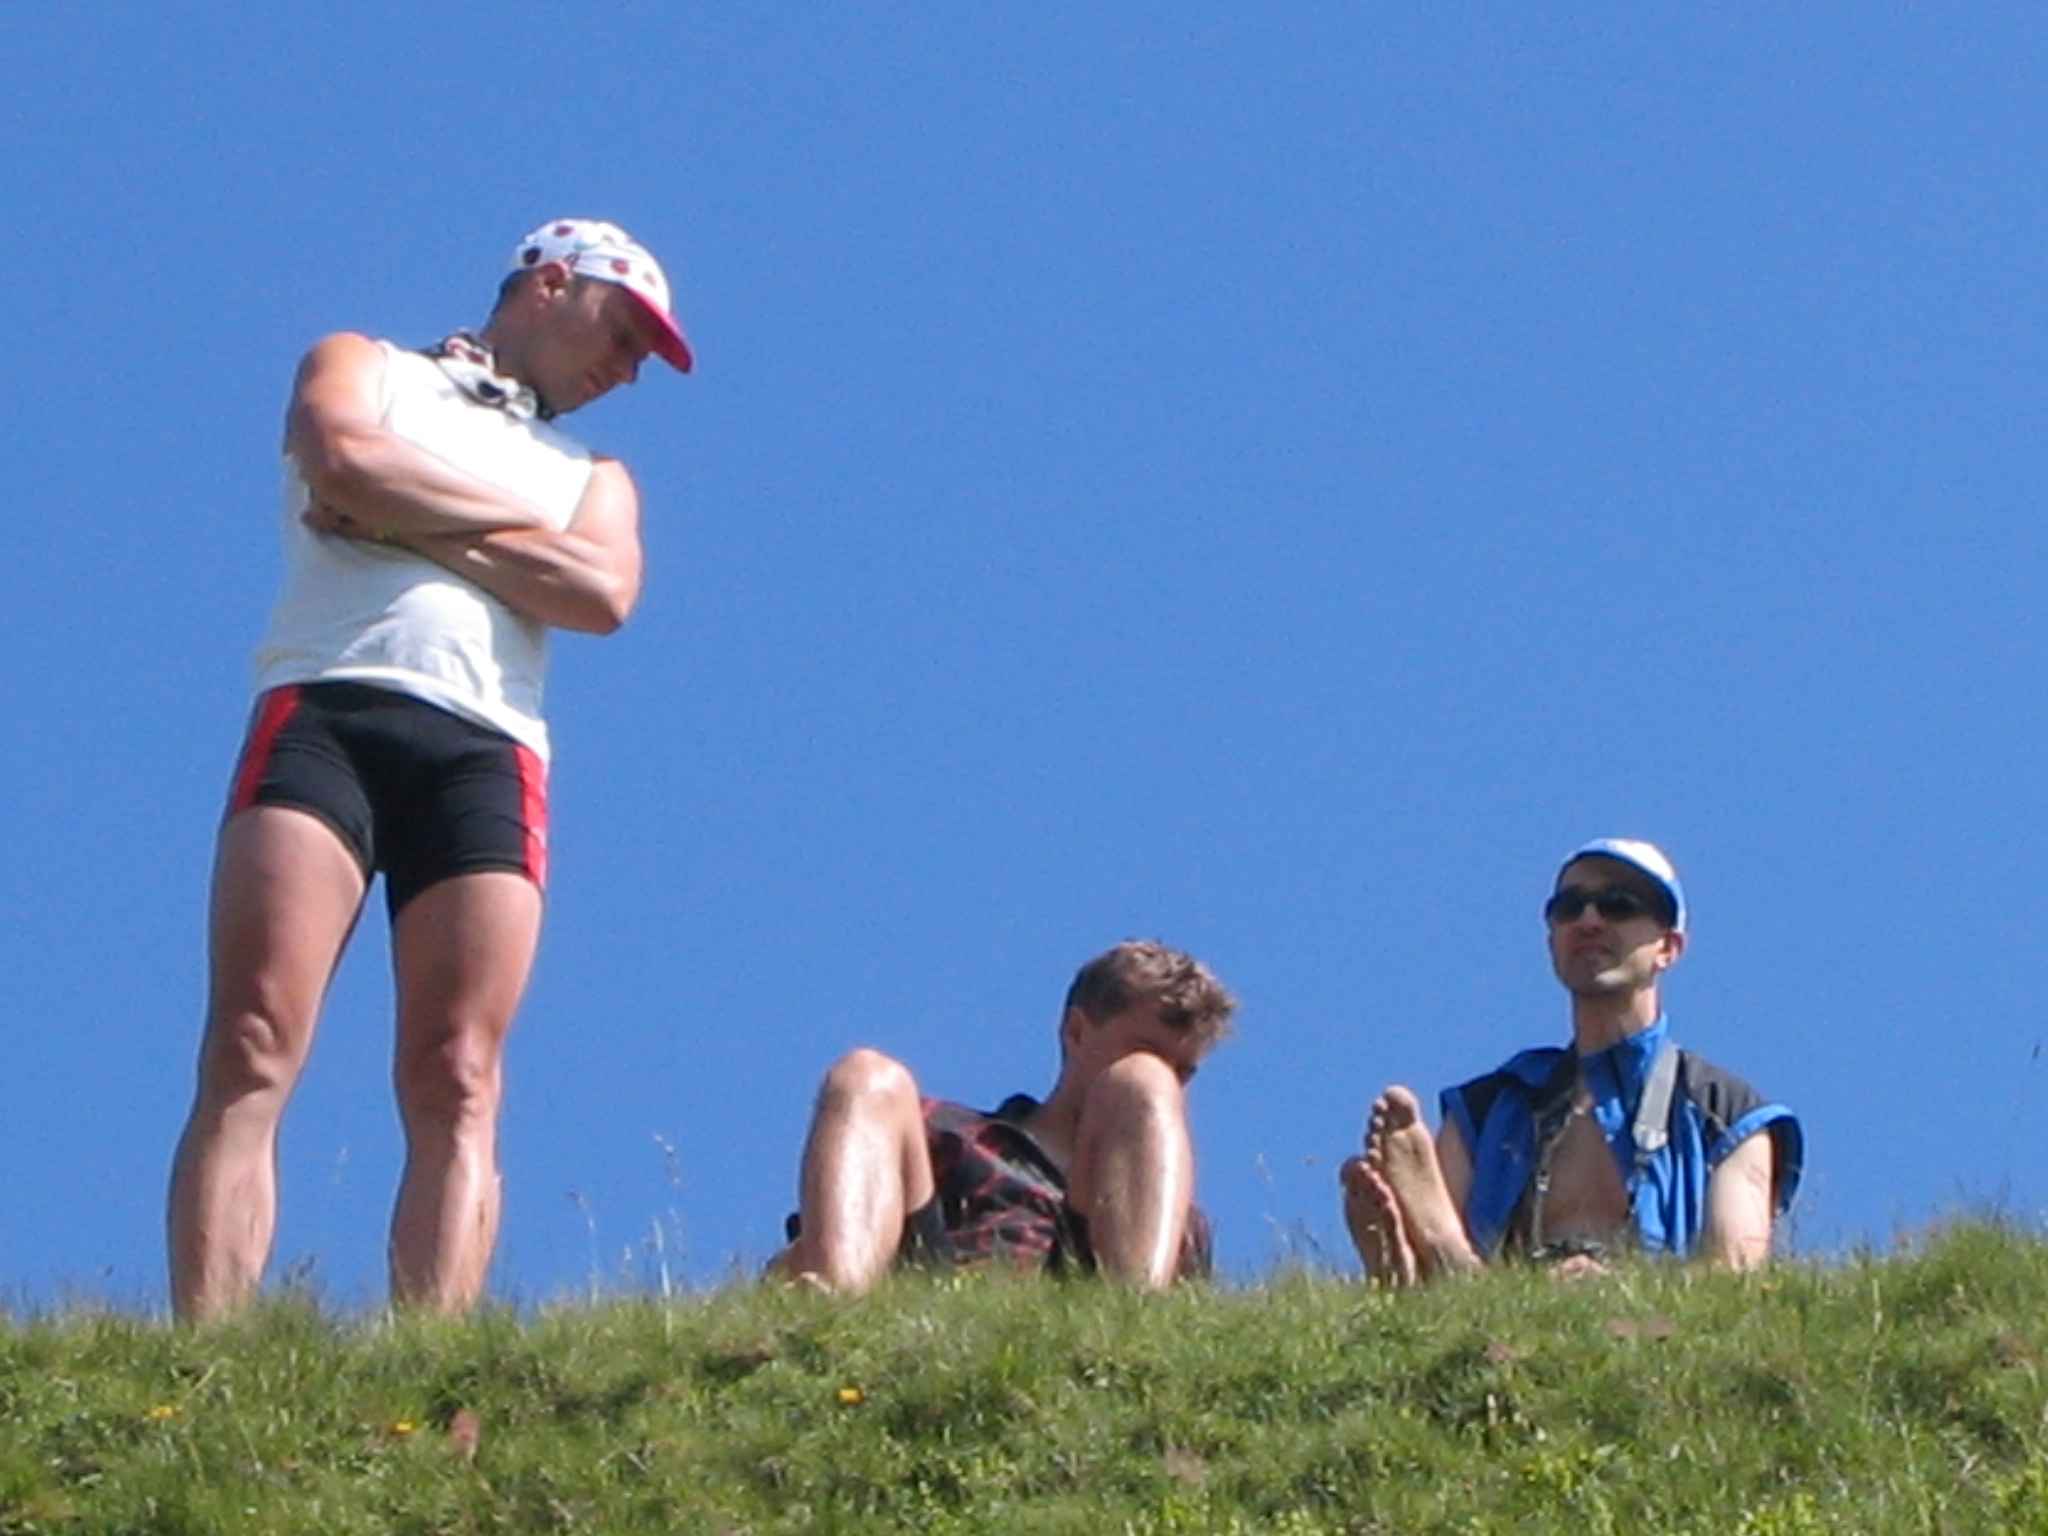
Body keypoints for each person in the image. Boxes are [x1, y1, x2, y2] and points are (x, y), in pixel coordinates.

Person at [167, 219, 692, 1320]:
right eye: (624, 330)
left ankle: (433, 1355)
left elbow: (602, 592)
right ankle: (207, 1351)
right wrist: (521, 539)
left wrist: (405, 523)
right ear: (552, 283)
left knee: (459, 1072)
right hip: (327, 707)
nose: (630, 367)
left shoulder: (594, 475)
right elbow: (342, 458)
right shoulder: (363, 364)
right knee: (253, 1039)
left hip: (486, 749)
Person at [1341, 839, 1803, 1284]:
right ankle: (1426, 1258)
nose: (1589, 920)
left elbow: (1733, 1274)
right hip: (1503, 1313)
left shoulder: (1727, 1112)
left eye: (1619, 905)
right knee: (1453, 1284)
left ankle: (1435, 1253)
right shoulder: (1490, 1106)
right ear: (1552, 940)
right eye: (1569, 907)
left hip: (1651, 1321)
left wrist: (1614, 1287)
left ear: (1668, 947)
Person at [775, 940, 1237, 1293]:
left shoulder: (1171, 1213)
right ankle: (833, 1301)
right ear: (1077, 1032)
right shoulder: (946, 1132)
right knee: (867, 1074)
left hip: (1086, 1307)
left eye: (1182, 1072)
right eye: (1147, 1053)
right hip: (931, 1294)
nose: (1169, 1080)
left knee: (1143, 1084)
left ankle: (1134, 1314)